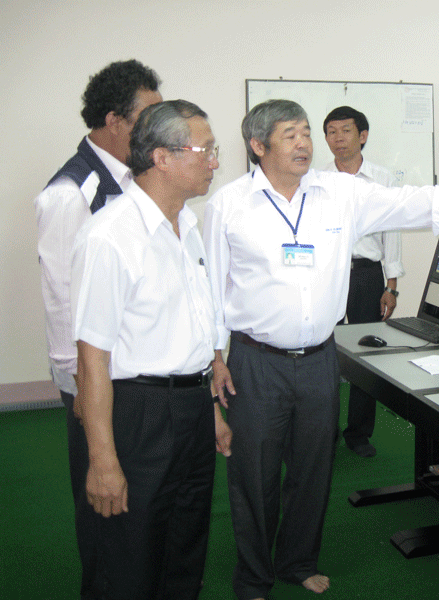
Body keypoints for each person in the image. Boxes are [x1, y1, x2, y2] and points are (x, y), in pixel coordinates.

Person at [203, 98, 439, 599]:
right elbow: (210, 286)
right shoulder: (228, 204)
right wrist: (215, 357)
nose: (304, 143)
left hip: (319, 360)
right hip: (256, 361)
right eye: (290, 135)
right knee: (254, 477)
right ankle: (253, 577)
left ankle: (297, 562)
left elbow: (410, 201)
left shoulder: (340, 192)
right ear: (258, 145)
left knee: (313, 471)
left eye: (306, 133)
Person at [71, 99, 231, 600]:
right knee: (130, 551)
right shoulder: (110, 236)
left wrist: (209, 409)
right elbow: (91, 360)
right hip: (138, 412)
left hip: (190, 406)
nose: (214, 162)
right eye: (205, 150)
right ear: (162, 158)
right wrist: (102, 459)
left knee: (185, 543)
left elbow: (189, 332)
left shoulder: (187, 227)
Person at [32, 58, 162, 595]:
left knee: (140, 505)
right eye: (148, 117)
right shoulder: (71, 194)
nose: (157, 128)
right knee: (106, 506)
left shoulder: (135, 180)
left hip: (135, 377)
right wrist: (83, 393)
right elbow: (63, 305)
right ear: (114, 121)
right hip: (97, 383)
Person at [323, 105, 403, 458]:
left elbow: (392, 232)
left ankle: (358, 434)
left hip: (368, 275)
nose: (338, 138)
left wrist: (391, 286)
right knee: (324, 355)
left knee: (367, 354)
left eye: (345, 130)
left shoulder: (382, 179)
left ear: (363, 136)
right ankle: (324, 433)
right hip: (328, 276)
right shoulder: (317, 180)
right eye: (331, 132)